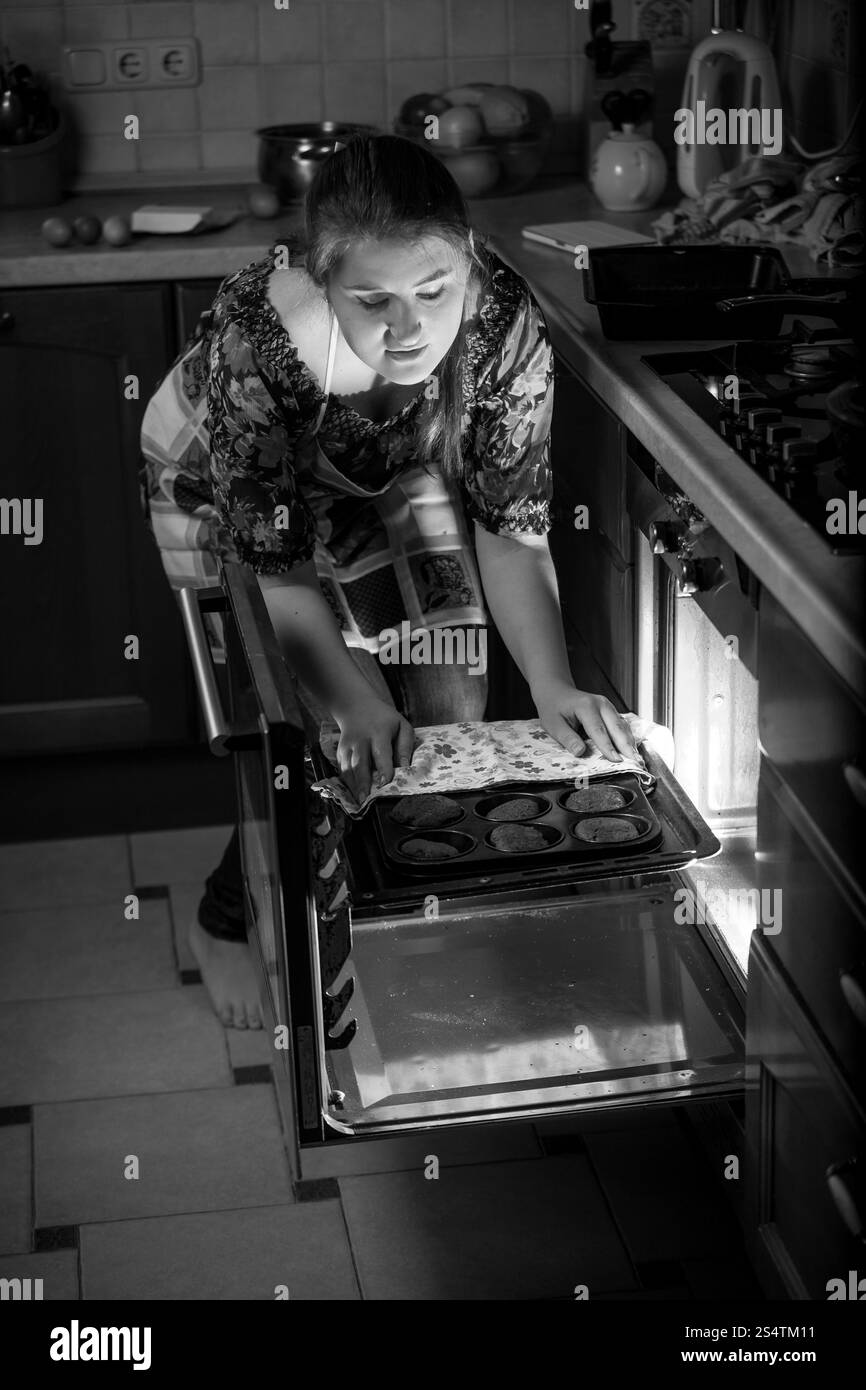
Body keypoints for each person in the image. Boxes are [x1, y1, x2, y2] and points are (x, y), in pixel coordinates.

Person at [141, 134, 638, 1030]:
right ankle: (226, 916)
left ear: (466, 262)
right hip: (227, 486)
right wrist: (353, 703)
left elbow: (514, 536)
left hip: (381, 468)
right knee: (328, 730)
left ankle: (402, 929)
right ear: (324, 283)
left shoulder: (505, 329)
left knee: (448, 701)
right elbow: (281, 576)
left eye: (433, 291)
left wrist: (555, 680)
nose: (409, 330)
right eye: (372, 301)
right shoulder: (261, 345)